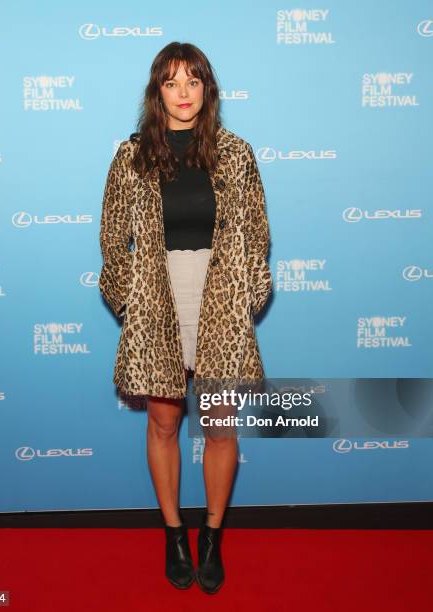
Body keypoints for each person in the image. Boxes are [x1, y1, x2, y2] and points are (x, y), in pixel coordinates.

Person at [99, 41, 272, 594]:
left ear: (207, 89)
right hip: (157, 301)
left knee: (220, 427)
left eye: (192, 81)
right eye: (171, 83)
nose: (182, 93)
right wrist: (130, 301)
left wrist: (243, 301)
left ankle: (212, 536)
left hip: (218, 303)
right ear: (157, 92)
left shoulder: (236, 153)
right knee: (163, 423)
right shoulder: (131, 158)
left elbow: (257, 236)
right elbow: (112, 239)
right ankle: (174, 532)